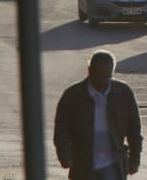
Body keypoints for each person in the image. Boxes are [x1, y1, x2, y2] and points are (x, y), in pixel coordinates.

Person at [53, 50, 142, 179]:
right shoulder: (73, 95)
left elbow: (134, 129)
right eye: (99, 77)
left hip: (113, 166)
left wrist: (134, 160)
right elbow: (61, 130)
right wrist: (65, 157)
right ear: (90, 71)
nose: (103, 82)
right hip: (83, 166)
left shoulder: (123, 93)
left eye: (107, 77)